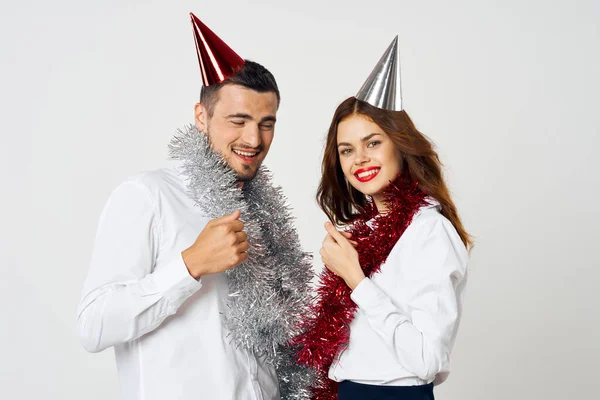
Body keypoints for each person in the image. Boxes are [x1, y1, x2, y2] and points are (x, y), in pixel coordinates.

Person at [77, 13, 314, 400]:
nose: (254, 138)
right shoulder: (147, 195)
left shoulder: (265, 214)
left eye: (266, 123)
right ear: (201, 117)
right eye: (238, 120)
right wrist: (190, 266)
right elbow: (93, 325)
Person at [294, 36, 472, 400]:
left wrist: (356, 279)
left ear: (399, 144)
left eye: (372, 142)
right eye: (347, 149)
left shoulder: (429, 232)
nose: (359, 158)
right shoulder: (369, 232)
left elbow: (426, 360)